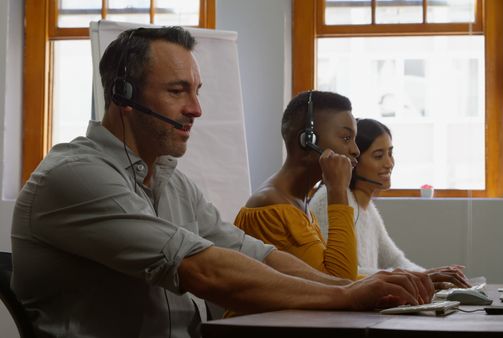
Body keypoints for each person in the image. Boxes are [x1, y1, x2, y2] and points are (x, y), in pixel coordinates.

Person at [11, 27, 433, 338]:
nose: (196, 108)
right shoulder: (76, 176)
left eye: (196, 91)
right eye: (178, 91)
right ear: (123, 96)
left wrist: (357, 287)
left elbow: (256, 254)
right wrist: (346, 296)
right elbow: (202, 269)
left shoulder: (172, 183)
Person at [309, 118, 470, 289]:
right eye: (378, 156)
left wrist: (437, 279)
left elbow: (395, 260)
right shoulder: (330, 198)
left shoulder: (367, 208)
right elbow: (342, 274)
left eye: (390, 153)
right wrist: (423, 277)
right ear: (353, 161)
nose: (389, 163)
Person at [234, 91, 365, 281]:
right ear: (307, 140)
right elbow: (339, 282)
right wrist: (337, 190)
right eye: (346, 138)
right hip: (261, 313)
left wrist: (388, 280)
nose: (355, 150)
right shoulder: (270, 205)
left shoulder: (297, 204)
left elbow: (333, 280)